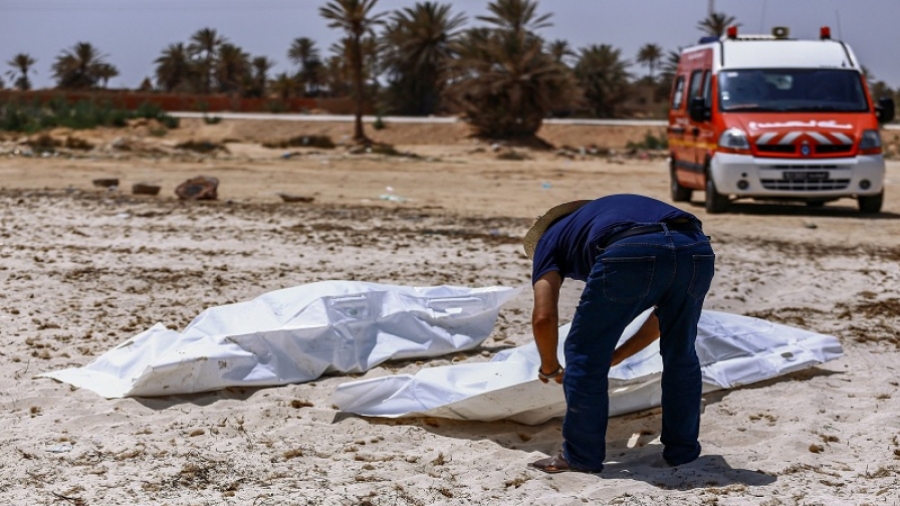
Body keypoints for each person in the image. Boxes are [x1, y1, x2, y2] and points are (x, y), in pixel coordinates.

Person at [523, 194, 715, 474]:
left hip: (630, 250)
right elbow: (662, 321)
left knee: (584, 354)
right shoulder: (605, 215)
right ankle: (682, 451)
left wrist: (550, 366)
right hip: (695, 247)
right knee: (681, 352)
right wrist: (618, 355)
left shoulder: (549, 241)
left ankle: (580, 456)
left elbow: (543, 317)